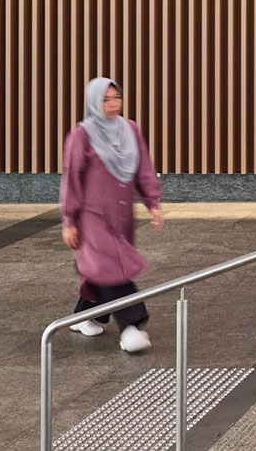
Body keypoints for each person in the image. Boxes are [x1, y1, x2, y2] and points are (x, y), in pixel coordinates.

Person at [61, 77, 166, 352]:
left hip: (121, 217)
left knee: (101, 268)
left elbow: (143, 168)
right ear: (93, 102)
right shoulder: (81, 135)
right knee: (111, 268)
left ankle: (84, 315)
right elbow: (71, 179)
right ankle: (131, 327)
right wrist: (69, 220)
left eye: (116, 97)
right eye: (105, 99)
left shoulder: (130, 129)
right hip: (91, 217)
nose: (112, 104)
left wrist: (153, 203)